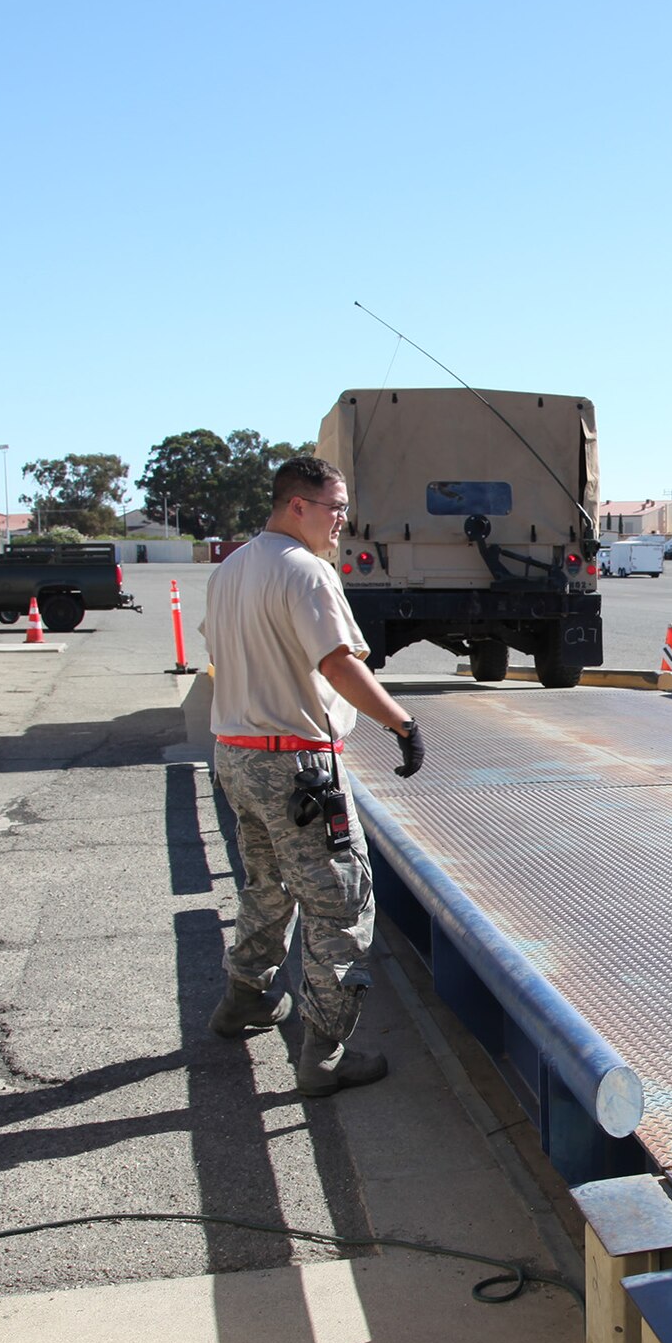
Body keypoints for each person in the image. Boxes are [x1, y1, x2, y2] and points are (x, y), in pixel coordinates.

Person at [200, 456, 424, 1095]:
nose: (343, 523)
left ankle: (245, 996)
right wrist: (401, 723)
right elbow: (337, 663)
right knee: (341, 903)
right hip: (297, 767)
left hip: (237, 755)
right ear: (297, 505)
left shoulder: (231, 569)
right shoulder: (307, 572)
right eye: (336, 508)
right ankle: (325, 1053)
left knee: (267, 883)